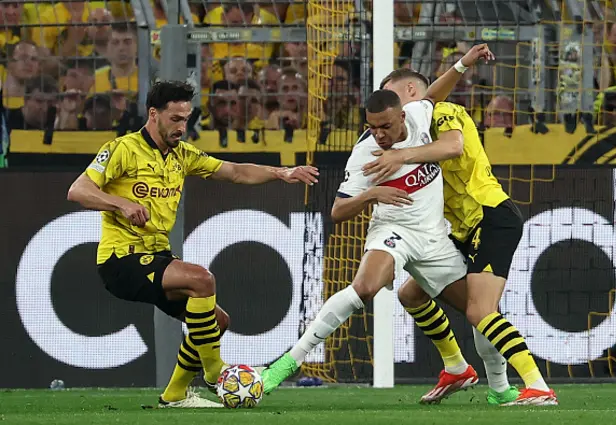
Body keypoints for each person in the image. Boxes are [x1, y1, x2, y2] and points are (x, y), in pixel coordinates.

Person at [260, 45, 495, 401]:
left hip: (433, 237)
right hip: (392, 230)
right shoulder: (365, 152)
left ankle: (496, 385)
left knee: (482, 313)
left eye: (385, 126)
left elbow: (434, 94)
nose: (380, 135)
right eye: (372, 128)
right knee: (365, 288)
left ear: (402, 116)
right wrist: (371, 196)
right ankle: (288, 363)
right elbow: (338, 212)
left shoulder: (419, 115)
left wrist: (464, 63)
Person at [67, 80, 319, 408]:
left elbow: (235, 172)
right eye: (175, 119)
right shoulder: (122, 149)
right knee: (201, 279)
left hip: (155, 256)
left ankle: (174, 395)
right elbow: (78, 190)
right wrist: (121, 204)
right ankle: (215, 372)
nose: (182, 127)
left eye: (186, 119)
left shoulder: (182, 156)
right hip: (121, 260)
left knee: (217, 322)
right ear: (154, 114)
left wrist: (281, 172)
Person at [362, 68, 558, 406]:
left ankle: (537, 385)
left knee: (479, 311)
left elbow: (453, 147)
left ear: (410, 91)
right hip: (458, 231)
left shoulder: (444, 111)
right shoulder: (411, 136)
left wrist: (400, 156)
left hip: (489, 216)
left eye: (392, 96)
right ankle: (461, 370)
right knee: (412, 295)